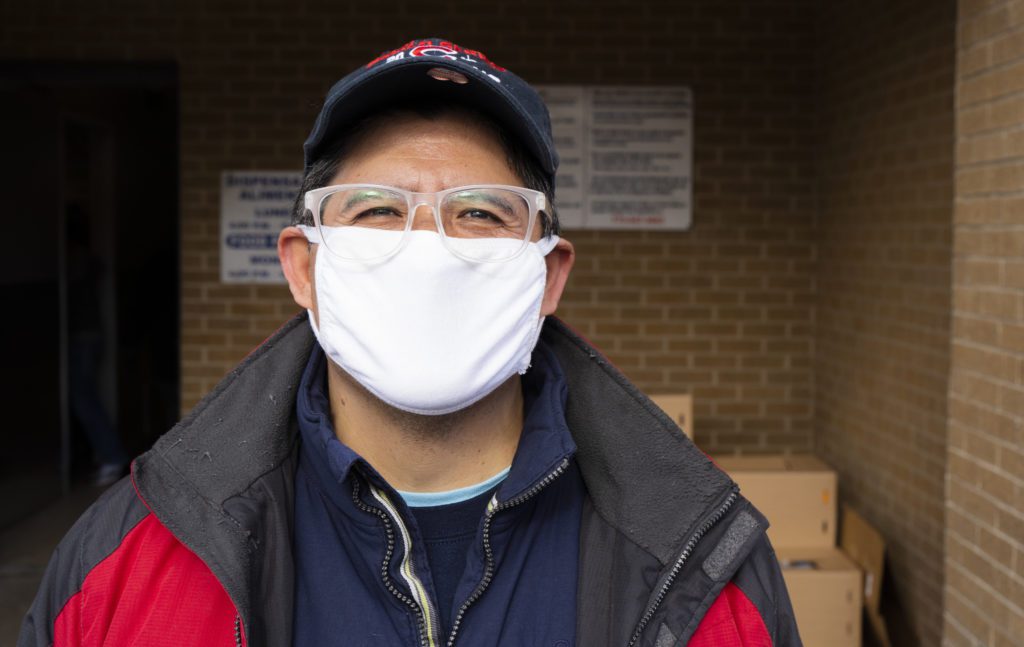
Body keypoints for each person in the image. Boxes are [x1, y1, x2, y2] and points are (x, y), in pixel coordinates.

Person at [20, 38, 801, 647]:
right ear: (304, 266)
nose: (427, 248)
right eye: (377, 211)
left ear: (547, 275)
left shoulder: (701, 566)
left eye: (481, 213)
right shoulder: (125, 566)